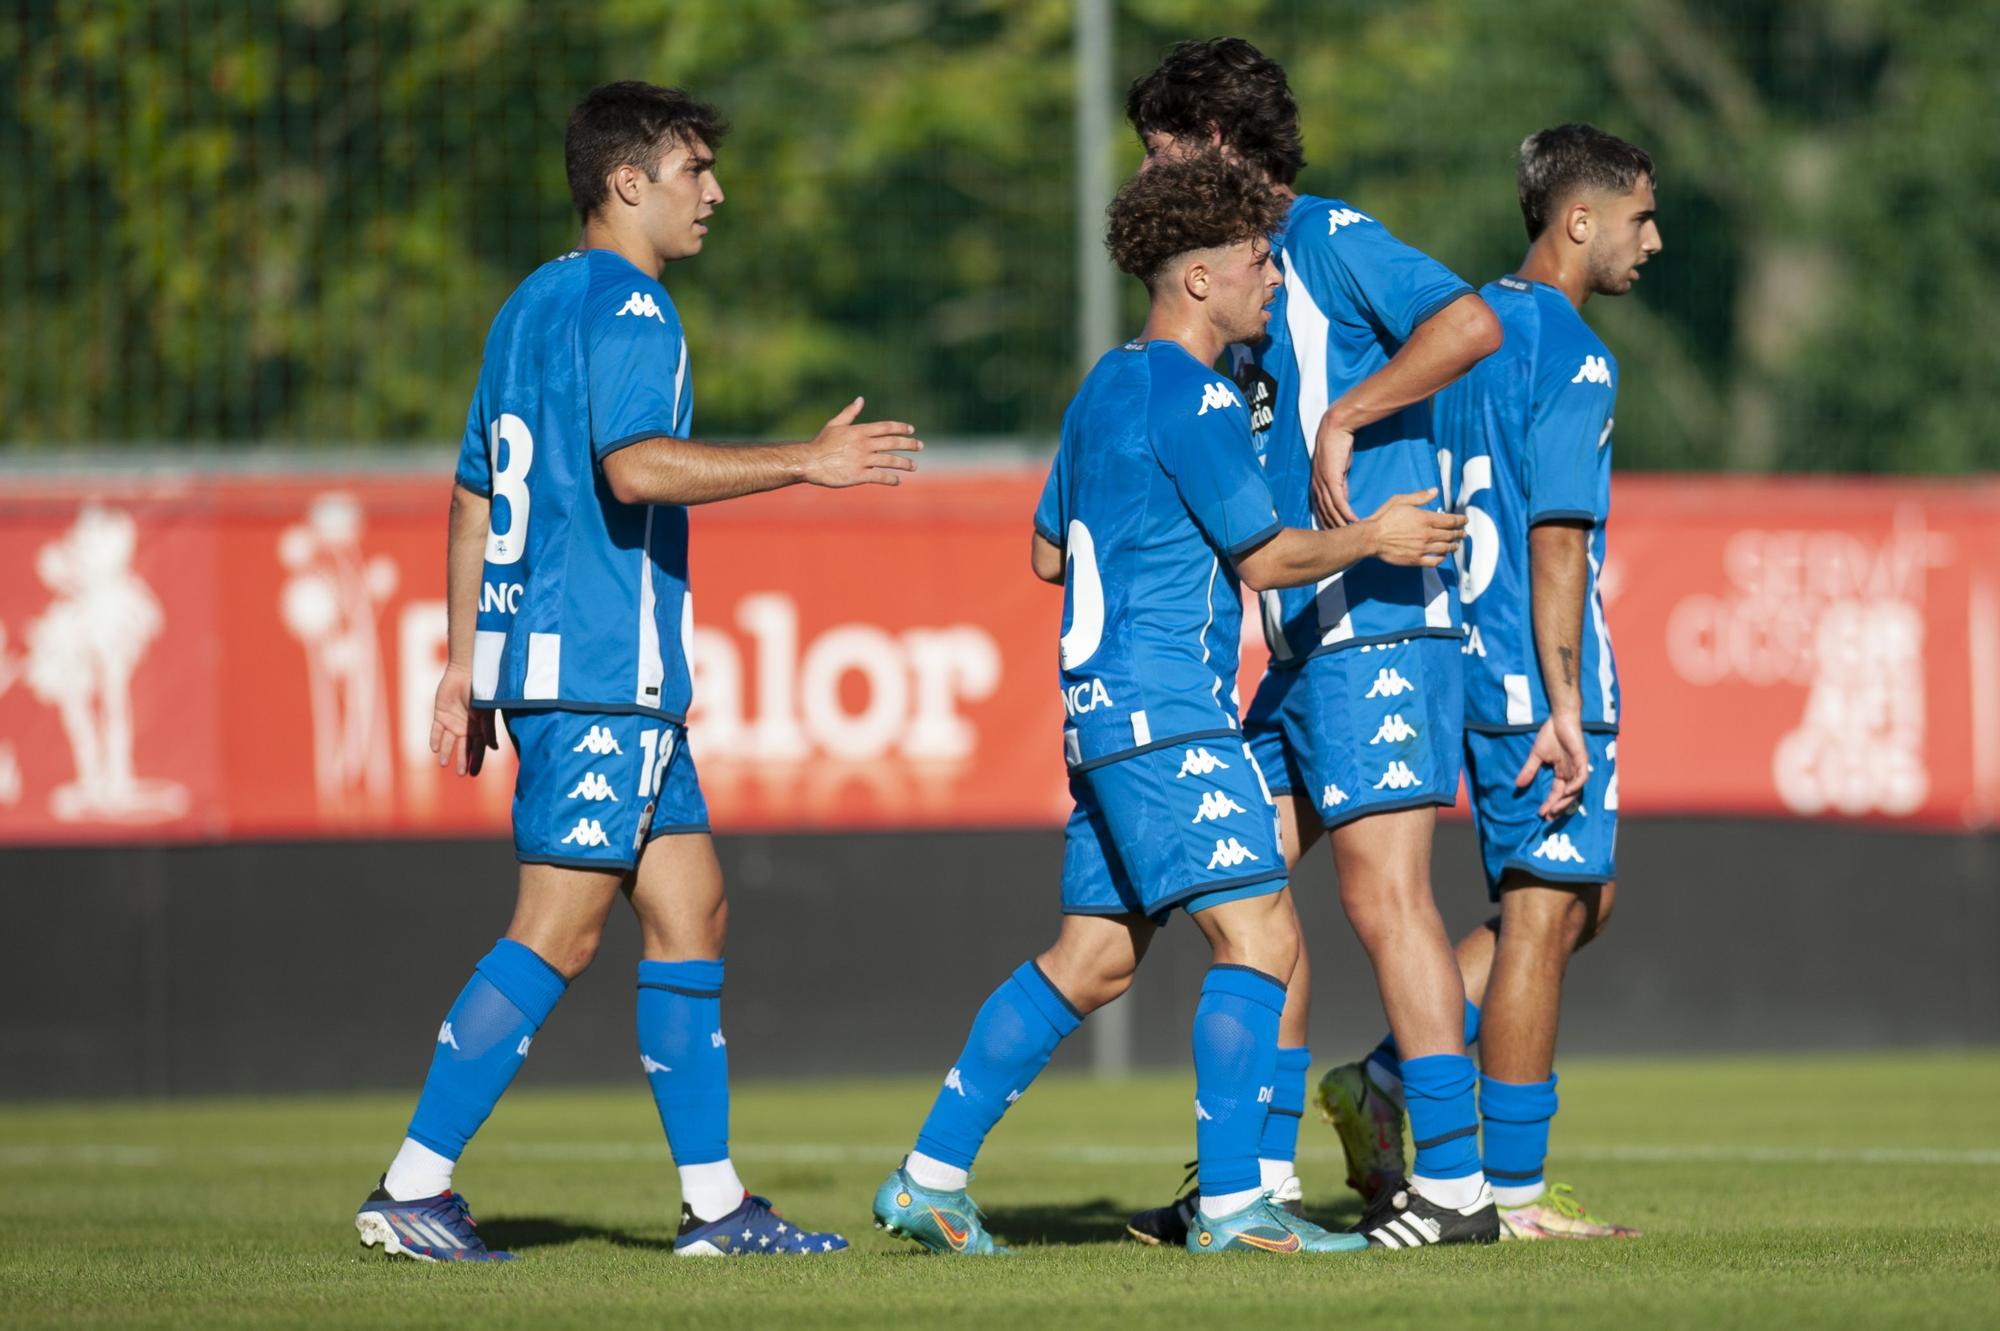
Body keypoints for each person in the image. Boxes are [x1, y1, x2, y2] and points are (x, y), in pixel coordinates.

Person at [353, 81, 921, 1262]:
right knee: (557, 931)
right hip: (602, 669)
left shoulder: (529, 304)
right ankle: (412, 1182)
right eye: (693, 169)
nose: (712, 191)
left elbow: (471, 495)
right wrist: (808, 465)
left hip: (589, 671)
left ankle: (714, 1209)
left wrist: (465, 663)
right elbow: (636, 469)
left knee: (691, 905)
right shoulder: (633, 306)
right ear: (628, 182)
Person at [870, 151, 1467, 1258]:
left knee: (1090, 957)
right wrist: (1375, 536)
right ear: (1196, 279)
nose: (1272, 282)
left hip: (1097, 718)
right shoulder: (1193, 395)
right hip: (1168, 709)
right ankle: (1235, 1206)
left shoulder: (1104, 382)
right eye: (1254, 264)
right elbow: (1269, 556)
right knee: (1263, 935)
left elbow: (1048, 550)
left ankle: (927, 1173)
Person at [1119, 37, 1507, 1250]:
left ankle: (1453, 1185)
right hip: (1298, 646)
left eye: (1160, 151)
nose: (1145, 178)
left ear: (1217, 141)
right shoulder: (1228, 284)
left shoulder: (1327, 237)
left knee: (1383, 894)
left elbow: (1469, 322)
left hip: (1382, 625)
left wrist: (1349, 410)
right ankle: (1253, 1182)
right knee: (1249, 899)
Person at [1322, 123, 1658, 1242]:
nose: (1651, 241)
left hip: (1445, 651)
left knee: (1576, 903)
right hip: (1532, 669)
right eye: (1638, 218)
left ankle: (1379, 1074)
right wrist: (1565, 704)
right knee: (1542, 914)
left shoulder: (1455, 329)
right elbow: (1557, 543)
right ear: (1577, 219)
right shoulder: (1571, 351)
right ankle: (1512, 1194)